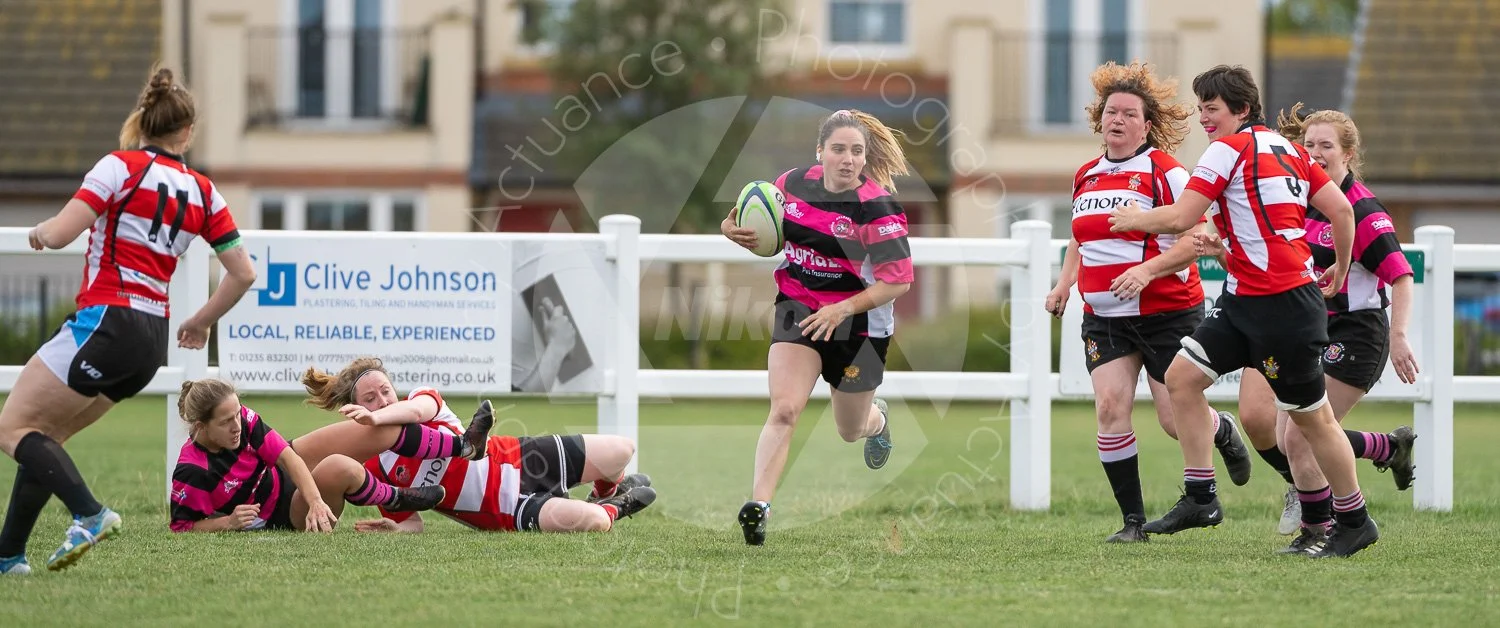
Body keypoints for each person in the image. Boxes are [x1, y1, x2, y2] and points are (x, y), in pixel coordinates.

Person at [1108, 65, 1379, 558]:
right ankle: (1200, 497)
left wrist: (1131, 219)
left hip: (1282, 307)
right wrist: (1337, 268)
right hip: (1247, 300)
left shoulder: (1227, 149)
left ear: (1241, 110)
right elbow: (1340, 211)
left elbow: (1181, 217)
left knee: (1313, 421)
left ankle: (1355, 520)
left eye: (1211, 109)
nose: (1204, 118)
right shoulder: (1291, 150)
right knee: (1182, 378)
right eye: (1201, 108)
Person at [0, 66, 257, 575]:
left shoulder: (119, 167)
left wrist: (43, 231)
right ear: (187, 132)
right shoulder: (205, 193)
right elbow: (243, 273)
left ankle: (90, 514)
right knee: (45, 435)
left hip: (106, 321)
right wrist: (202, 320)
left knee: (12, 427)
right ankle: (9, 556)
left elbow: (60, 233)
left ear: (142, 123)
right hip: (149, 339)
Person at [1045, 61, 1253, 544]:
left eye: (1128, 114)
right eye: (1110, 112)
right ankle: (1133, 522)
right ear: (1100, 119)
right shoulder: (1086, 175)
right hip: (1105, 318)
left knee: (1171, 420)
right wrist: (1064, 284)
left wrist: (1146, 271)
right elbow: (1082, 238)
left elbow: (1201, 236)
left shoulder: (1164, 171)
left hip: (1167, 313)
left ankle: (1220, 430)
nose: (1117, 119)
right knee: (1110, 408)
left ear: (1146, 124)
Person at [1196, 102, 1418, 552]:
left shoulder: (1364, 211)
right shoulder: (1298, 198)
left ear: (1348, 154)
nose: (1314, 152)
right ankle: (1381, 450)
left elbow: (1401, 275)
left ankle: (1324, 528)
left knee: (1299, 434)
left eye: (1326, 146)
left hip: (1356, 333)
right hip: (1300, 325)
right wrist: (1221, 251)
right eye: (1308, 144)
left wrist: (1398, 338)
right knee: (1281, 431)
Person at [720, 109, 912, 546]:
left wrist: (842, 309)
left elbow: (897, 282)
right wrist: (731, 228)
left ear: (865, 158)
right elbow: (748, 218)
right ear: (820, 152)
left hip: (860, 327)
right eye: (839, 149)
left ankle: (878, 422)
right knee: (785, 408)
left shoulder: (878, 208)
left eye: (857, 151)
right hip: (799, 309)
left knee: (850, 429)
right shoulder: (790, 185)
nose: (848, 159)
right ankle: (759, 507)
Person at [300, 358, 656, 534]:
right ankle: (612, 509)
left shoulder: (423, 400)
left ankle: (602, 493)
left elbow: (416, 409)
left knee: (622, 449)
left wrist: (379, 417)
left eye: (385, 390)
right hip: (507, 509)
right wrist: (396, 530)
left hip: (525, 456)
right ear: (356, 408)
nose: (383, 399)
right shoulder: (377, 468)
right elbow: (413, 525)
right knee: (595, 523)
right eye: (371, 399)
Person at [168, 379, 446, 533]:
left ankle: (462, 446)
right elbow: (183, 526)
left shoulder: (243, 418)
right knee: (339, 467)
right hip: (285, 513)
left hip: (283, 477)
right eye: (226, 421)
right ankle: (398, 499)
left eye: (237, 415)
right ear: (201, 427)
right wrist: (227, 522)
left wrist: (315, 500)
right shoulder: (192, 470)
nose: (237, 426)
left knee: (371, 428)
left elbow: (287, 457)